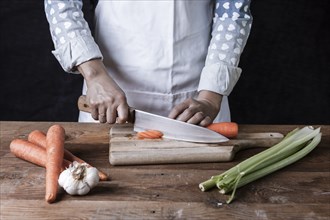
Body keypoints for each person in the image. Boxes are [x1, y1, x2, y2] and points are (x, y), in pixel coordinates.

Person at [44, 0, 252, 126]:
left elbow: (233, 12)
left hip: (198, 99)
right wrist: (94, 75)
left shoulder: (206, 99)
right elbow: (61, 4)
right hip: (109, 97)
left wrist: (210, 97)